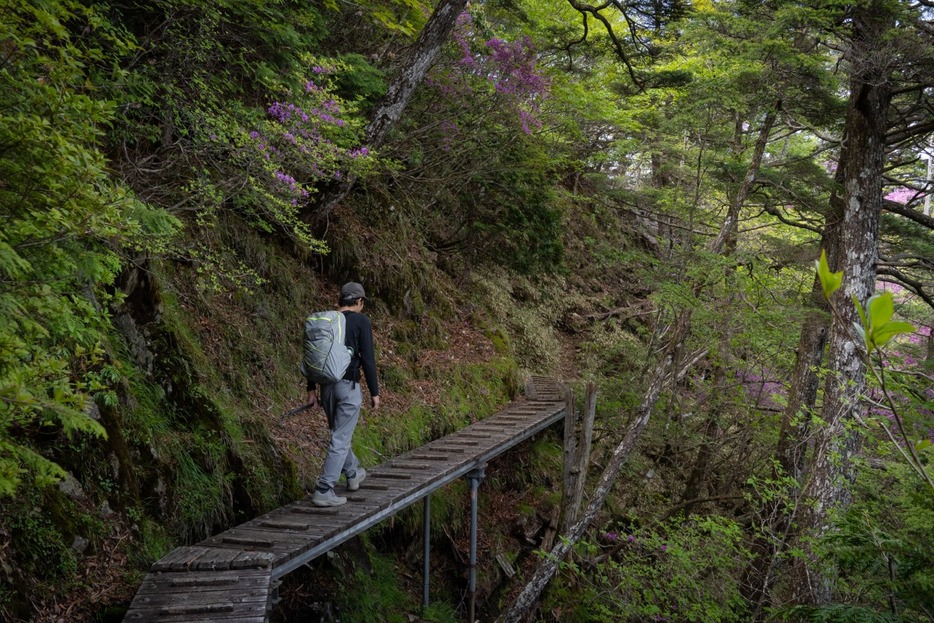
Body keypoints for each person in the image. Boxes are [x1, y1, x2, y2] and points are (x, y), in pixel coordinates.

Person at [308, 282, 380, 507]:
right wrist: (375, 392)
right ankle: (324, 489)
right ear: (359, 301)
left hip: (326, 386)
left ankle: (352, 473)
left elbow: (315, 354)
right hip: (348, 387)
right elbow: (367, 358)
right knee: (340, 437)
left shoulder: (327, 320)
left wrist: (311, 388)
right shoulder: (361, 321)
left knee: (339, 434)